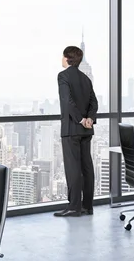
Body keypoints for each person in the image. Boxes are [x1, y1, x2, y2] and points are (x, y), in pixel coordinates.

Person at [54, 46, 98, 217]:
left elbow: (67, 101)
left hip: (72, 129)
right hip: (87, 130)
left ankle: (74, 207)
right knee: (87, 167)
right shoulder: (86, 78)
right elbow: (94, 103)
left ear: (67, 58)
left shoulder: (63, 76)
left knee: (73, 169)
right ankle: (88, 206)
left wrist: (80, 119)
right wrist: (89, 119)